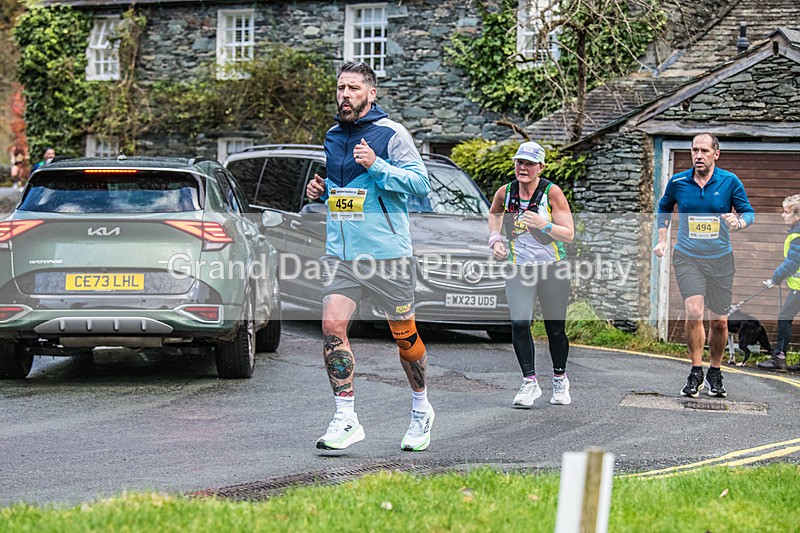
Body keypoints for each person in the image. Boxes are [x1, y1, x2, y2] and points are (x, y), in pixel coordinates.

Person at [305, 61, 433, 451]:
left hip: (388, 256)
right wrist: (323, 193)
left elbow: (420, 183)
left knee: (404, 336)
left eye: (353, 88)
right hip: (341, 255)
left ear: (371, 94)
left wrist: (377, 165)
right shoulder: (332, 136)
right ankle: (346, 418)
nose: (345, 95)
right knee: (332, 326)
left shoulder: (392, 133)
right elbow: (349, 195)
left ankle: (421, 408)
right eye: (340, 88)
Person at [654, 132, 755, 397]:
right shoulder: (678, 182)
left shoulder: (729, 181)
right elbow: (664, 208)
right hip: (688, 257)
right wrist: (662, 239)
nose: (698, 155)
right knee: (694, 311)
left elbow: (748, 212)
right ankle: (696, 370)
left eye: (704, 151)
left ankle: (715, 371)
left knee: (719, 322)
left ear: (716, 154)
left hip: (721, 259)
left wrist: (739, 222)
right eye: (694, 150)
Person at [488, 141, 575, 408]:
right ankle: (529, 382)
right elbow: (494, 214)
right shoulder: (506, 192)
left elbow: (569, 234)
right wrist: (495, 239)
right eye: (519, 162)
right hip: (519, 267)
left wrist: (544, 224)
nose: (523, 168)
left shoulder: (552, 193)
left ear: (541, 167)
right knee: (519, 323)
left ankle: (559, 378)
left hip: (553, 267)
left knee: (555, 329)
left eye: (529, 164)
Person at [757, 194, 800, 372]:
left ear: (797, 215)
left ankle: (779, 358)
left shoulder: (797, 235)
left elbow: (792, 262)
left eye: (787, 212)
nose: (782, 215)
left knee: (784, 317)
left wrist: (776, 278)